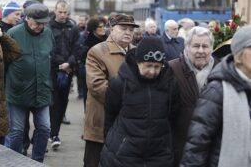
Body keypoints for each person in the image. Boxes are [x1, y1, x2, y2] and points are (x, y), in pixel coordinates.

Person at [99, 37, 179, 167]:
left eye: (157, 67)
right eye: (148, 66)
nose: (152, 71)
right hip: (124, 154)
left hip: (159, 155)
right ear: (137, 62)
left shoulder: (170, 84)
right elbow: (110, 115)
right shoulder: (120, 82)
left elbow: (173, 115)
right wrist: (114, 143)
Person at [180, 25, 251, 167]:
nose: (201, 51)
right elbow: (197, 146)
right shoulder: (217, 91)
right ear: (238, 56)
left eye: (205, 46)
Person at [83, 13, 139, 167]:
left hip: (128, 122)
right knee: (94, 161)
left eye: (131, 29)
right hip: (101, 121)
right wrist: (130, 100)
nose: (128, 32)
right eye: (123, 28)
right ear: (112, 29)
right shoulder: (97, 51)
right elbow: (97, 86)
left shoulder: (137, 52)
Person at [5, 3, 55, 162]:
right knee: (17, 132)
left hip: (42, 91)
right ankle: (15, 162)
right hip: (18, 92)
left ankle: (37, 162)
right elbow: (4, 63)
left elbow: (51, 57)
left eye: (44, 23)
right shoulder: (13, 33)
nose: (41, 26)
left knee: (45, 128)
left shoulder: (48, 33)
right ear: (28, 18)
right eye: (38, 22)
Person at [169, 26, 217, 167]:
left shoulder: (220, 71)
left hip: (211, 149)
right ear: (187, 47)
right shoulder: (172, 69)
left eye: (205, 46)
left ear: (211, 49)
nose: (201, 51)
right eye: (196, 46)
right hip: (180, 147)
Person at [48, 0, 80, 150]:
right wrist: (59, 64)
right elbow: (48, 49)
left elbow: (77, 49)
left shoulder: (72, 28)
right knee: (52, 102)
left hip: (67, 71)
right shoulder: (48, 27)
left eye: (65, 12)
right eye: (60, 12)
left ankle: (54, 132)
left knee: (63, 102)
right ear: (55, 11)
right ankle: (52, 133)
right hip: (52, 70)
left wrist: (69, 64)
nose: (62, 15)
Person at [79, 16, 107, 112]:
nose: (103, 29)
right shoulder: (88, 43)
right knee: (89, 98)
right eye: (100, 27)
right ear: (94, 29)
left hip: (105, 75)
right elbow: (82, 62)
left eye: (104, 26)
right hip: (90, 76)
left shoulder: (108, 41)